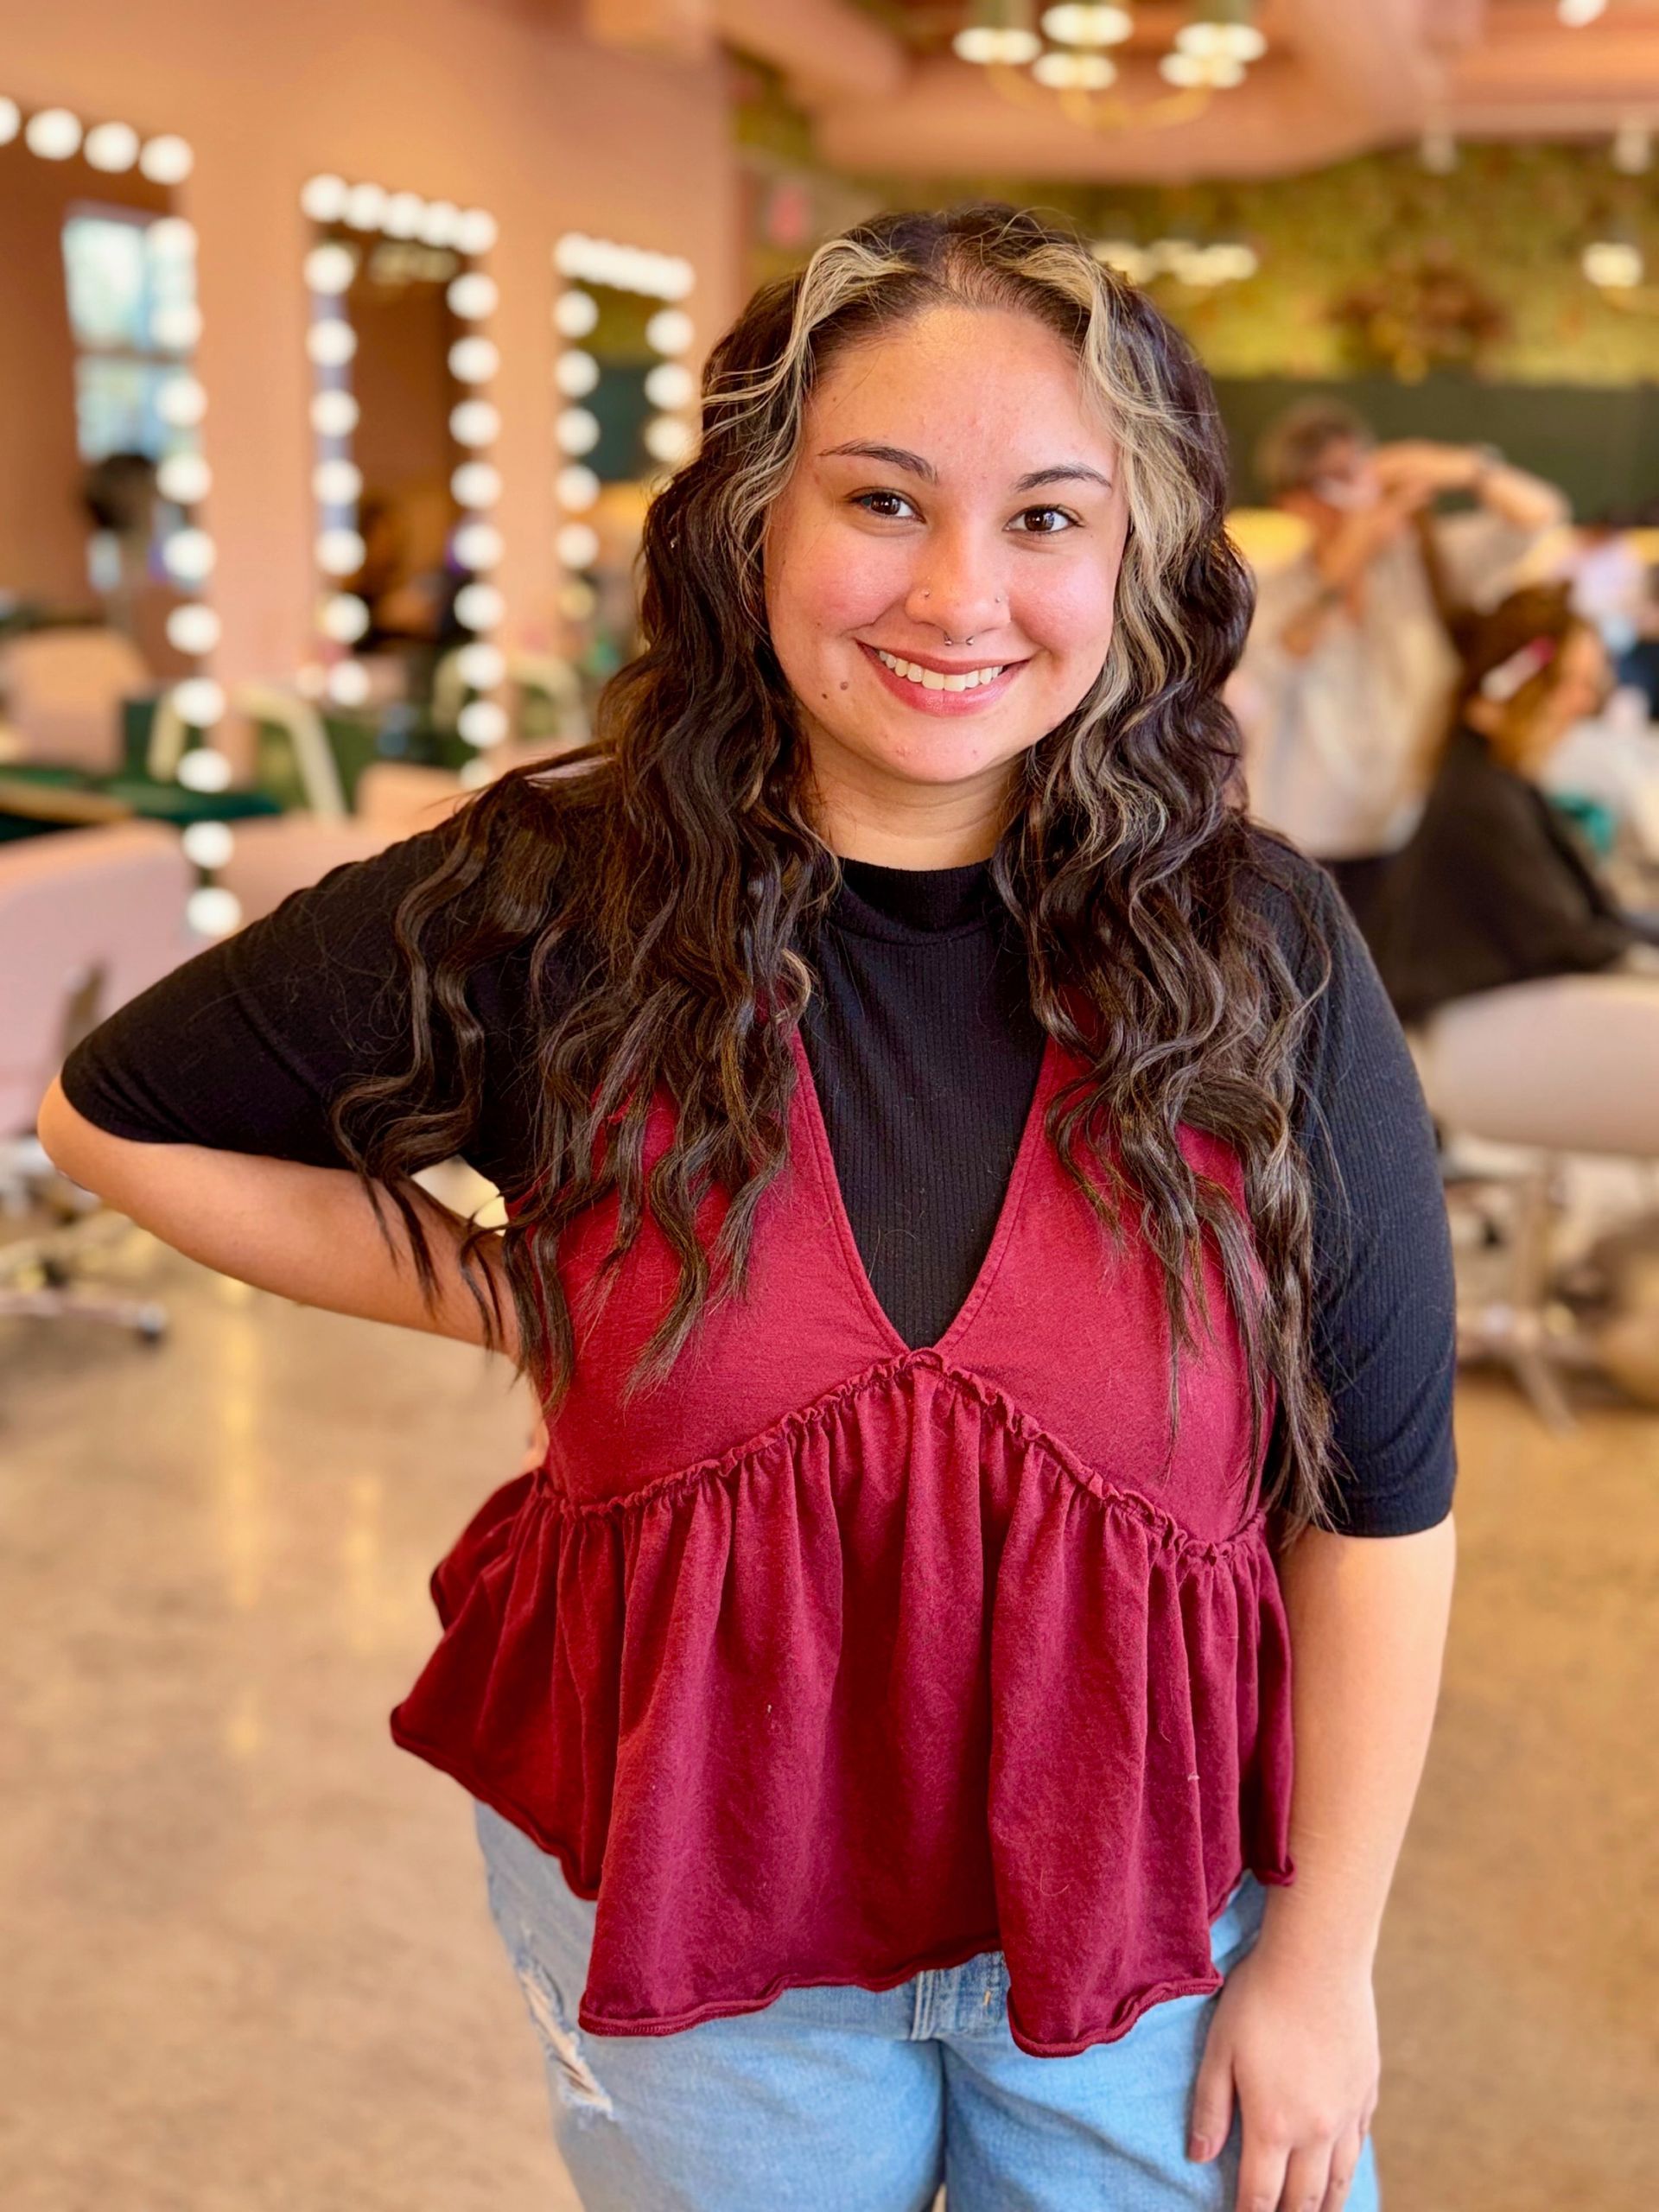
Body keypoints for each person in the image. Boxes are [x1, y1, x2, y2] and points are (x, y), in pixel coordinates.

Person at [39, 206, 1458, 2212]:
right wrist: (525, 1295)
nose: (961, 592)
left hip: (1149, 1903)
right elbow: (117, 1115)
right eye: (884, 497)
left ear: (1130, 557)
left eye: (1047, 517)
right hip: (694, 1899)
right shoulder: (556, 899)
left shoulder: (1263, 952)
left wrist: (1320, 1963)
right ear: (750, 520)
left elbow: (1382, 1503)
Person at [1236, 398, 1567, 940]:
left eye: (1359, 469)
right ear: (1295, 502)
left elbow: (1541, 517)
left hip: (1412, 831)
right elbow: (1276, 657)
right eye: (1333, 481)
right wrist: (1356, 549)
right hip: (1301, 841)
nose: (1356, 494)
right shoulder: (1271, 586)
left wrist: (1461, 467)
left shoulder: (1428, 563)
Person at [1373, 584, 1651, 1025]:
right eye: (1572, 683)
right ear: (1521, 683)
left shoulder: (1494, 778)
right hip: (1455, 1019)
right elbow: (1564, 937)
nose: (1585, 704)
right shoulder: (1482, 799)